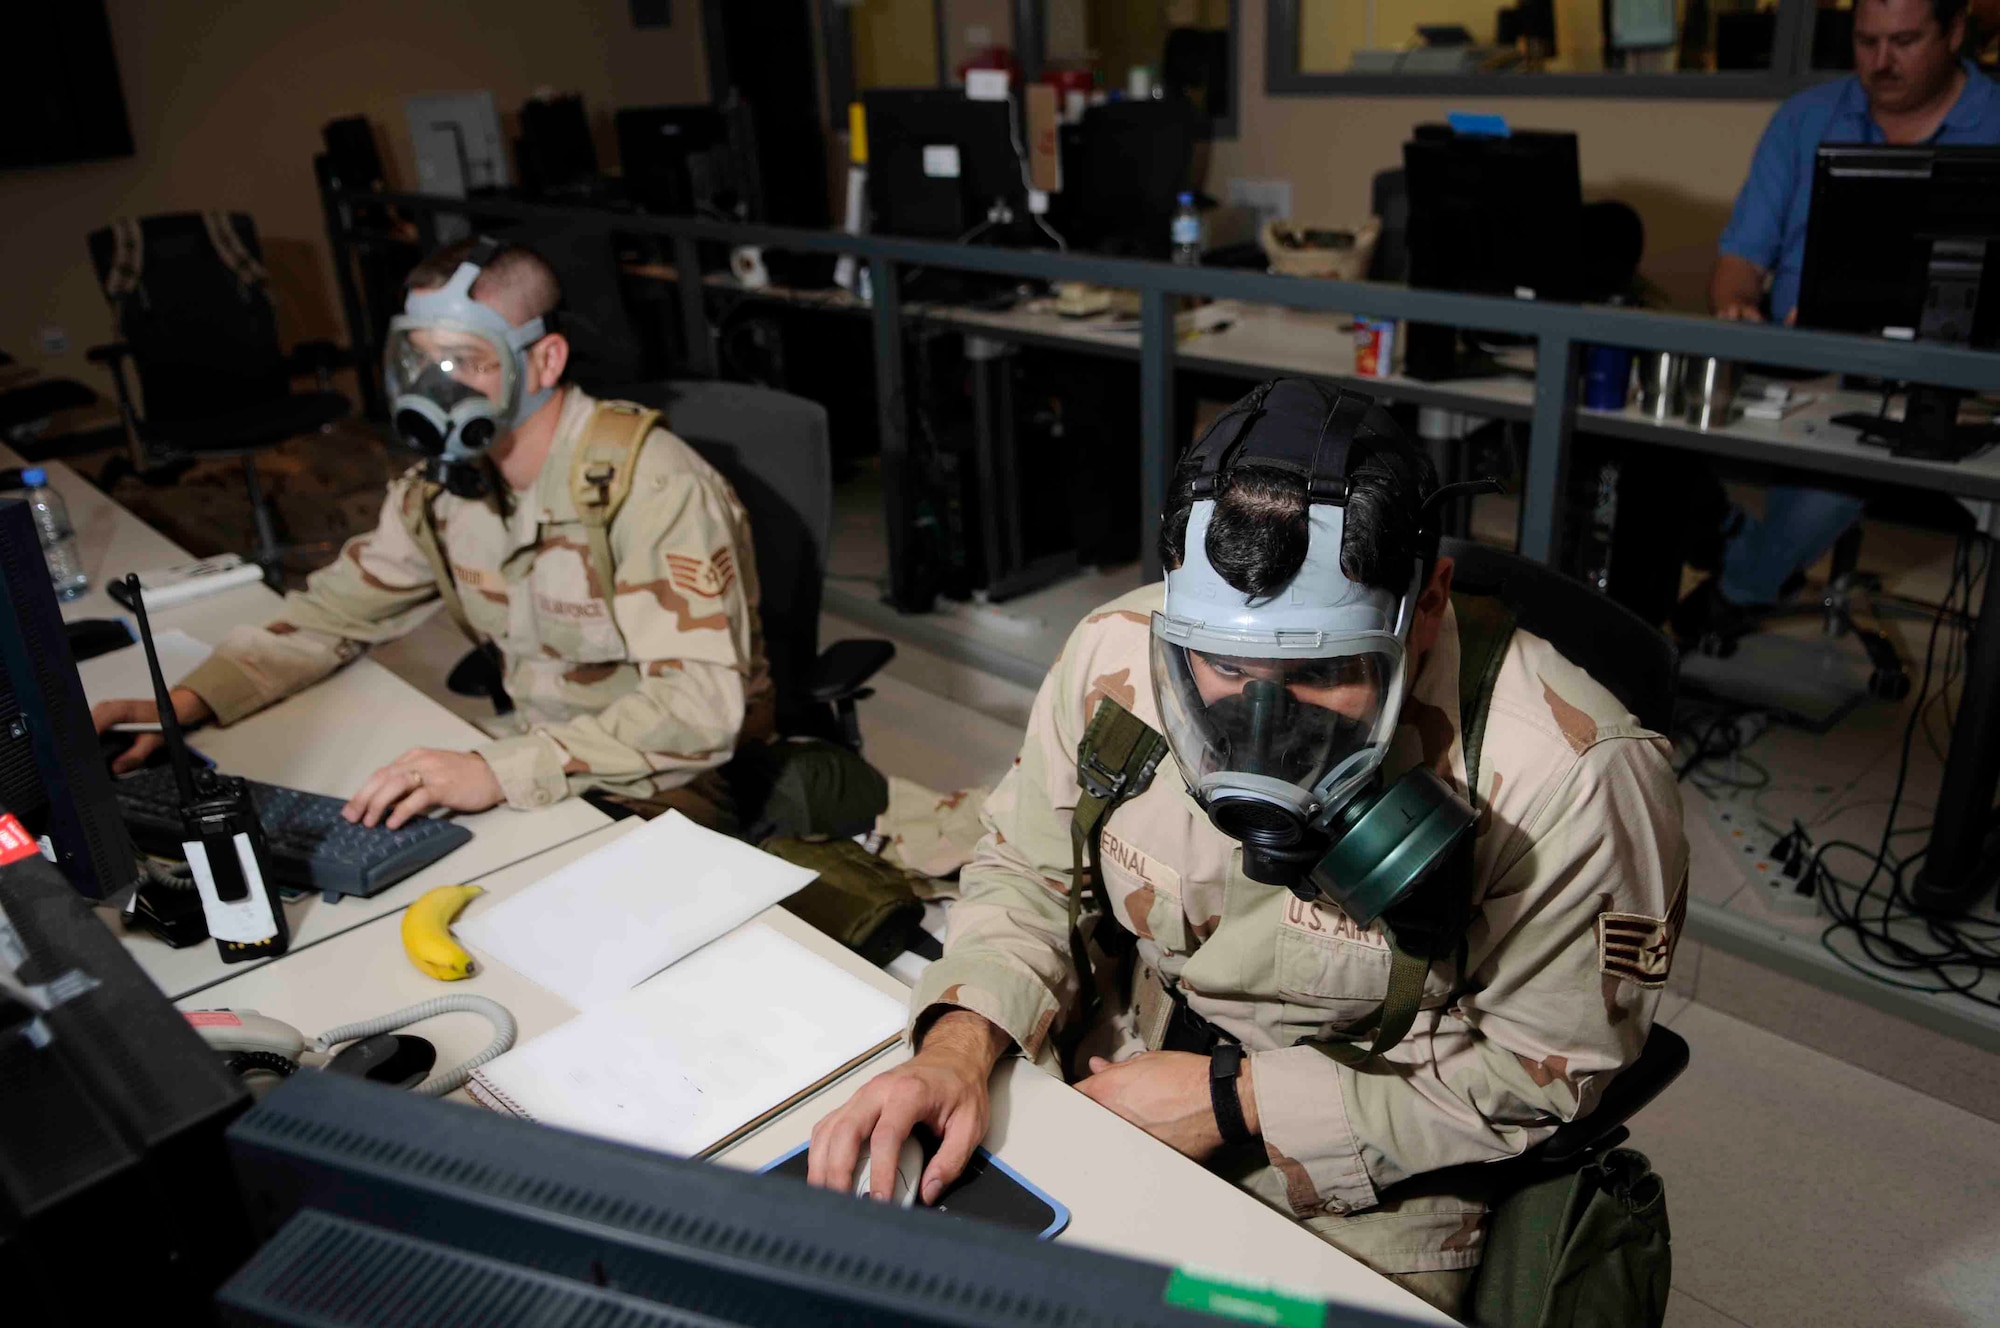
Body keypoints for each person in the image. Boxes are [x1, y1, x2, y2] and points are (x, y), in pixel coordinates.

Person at [806, 380, 1686, 1318]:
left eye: (1321, 671)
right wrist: (958, 1044)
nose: (1261, 722)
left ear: (1427, 605)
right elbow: (1028, 872)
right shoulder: (1117, 656)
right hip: (1125, 1056)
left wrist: (1236, 1103)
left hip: (1376, 1158)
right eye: (1224, 665)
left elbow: (1536, 1077)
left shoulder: (1572, 778)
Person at [92, 237, 771, 830]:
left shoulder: (653, 486)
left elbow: (698, 713)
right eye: (420, 362)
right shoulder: (448, 484)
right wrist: (191, 700)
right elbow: (336, 612)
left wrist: (499, 771)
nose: (436, 388)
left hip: (665, 780)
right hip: (539, 751)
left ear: (544, 361)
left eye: (466, 361)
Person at [1683, 0, 2000, 642]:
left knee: (1837, 469)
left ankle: (1740, 584)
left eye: (1903, 41)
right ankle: (1741, 554)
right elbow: (1741, 258)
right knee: (1643, 433)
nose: (1881, 62)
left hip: (1947, 386)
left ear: (1954, 32)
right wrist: (1736, 306)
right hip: (1799, 359)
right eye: (1865, 41)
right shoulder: (1806, 117)